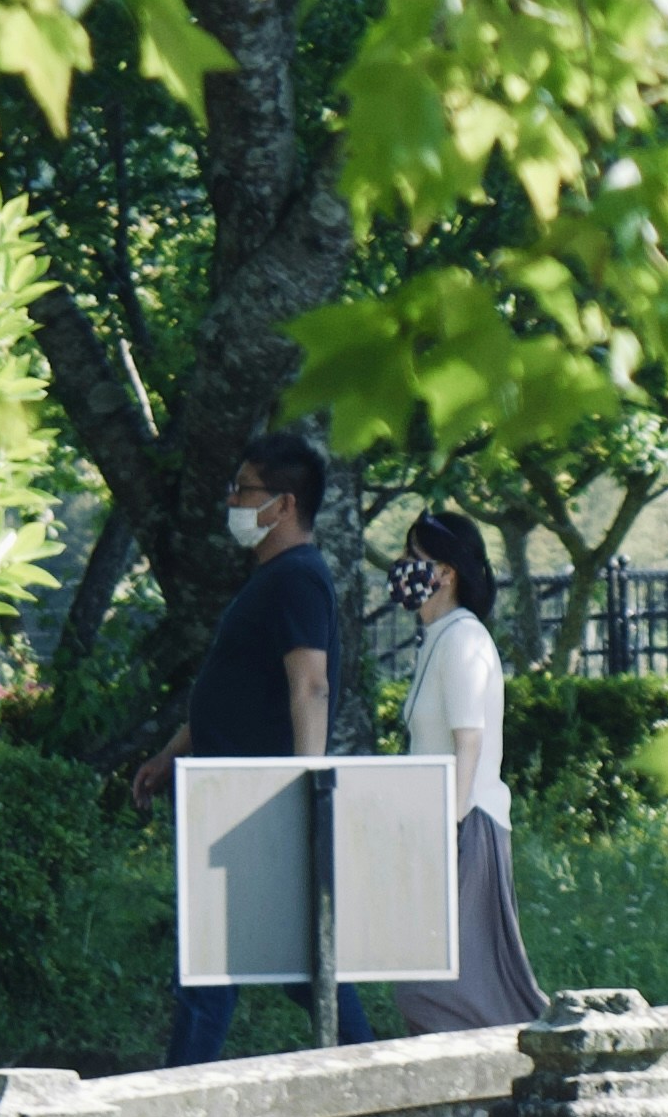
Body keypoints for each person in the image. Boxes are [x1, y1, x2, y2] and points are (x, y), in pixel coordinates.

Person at [133, 433, 347, 1065]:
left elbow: (310, 684)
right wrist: (173, 751)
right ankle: (373, 1073)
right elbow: (232, 689)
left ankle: (182, 1097)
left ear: (282, 505)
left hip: (250, 803)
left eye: (244, 488)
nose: (230, 499)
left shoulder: (299, 579)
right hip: (226, 794)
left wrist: (310, 787)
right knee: (293, 963)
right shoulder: (272, 579)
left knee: (220, 964)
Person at [380, 508, 549, 1033]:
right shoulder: (441, 637)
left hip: (463, 826)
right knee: (436, 981)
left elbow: (468, 742)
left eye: (413, 557)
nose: (401, 566)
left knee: (441, 988)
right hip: (442, 827)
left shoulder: (463, 640)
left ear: (445, 573)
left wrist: (448, 831)